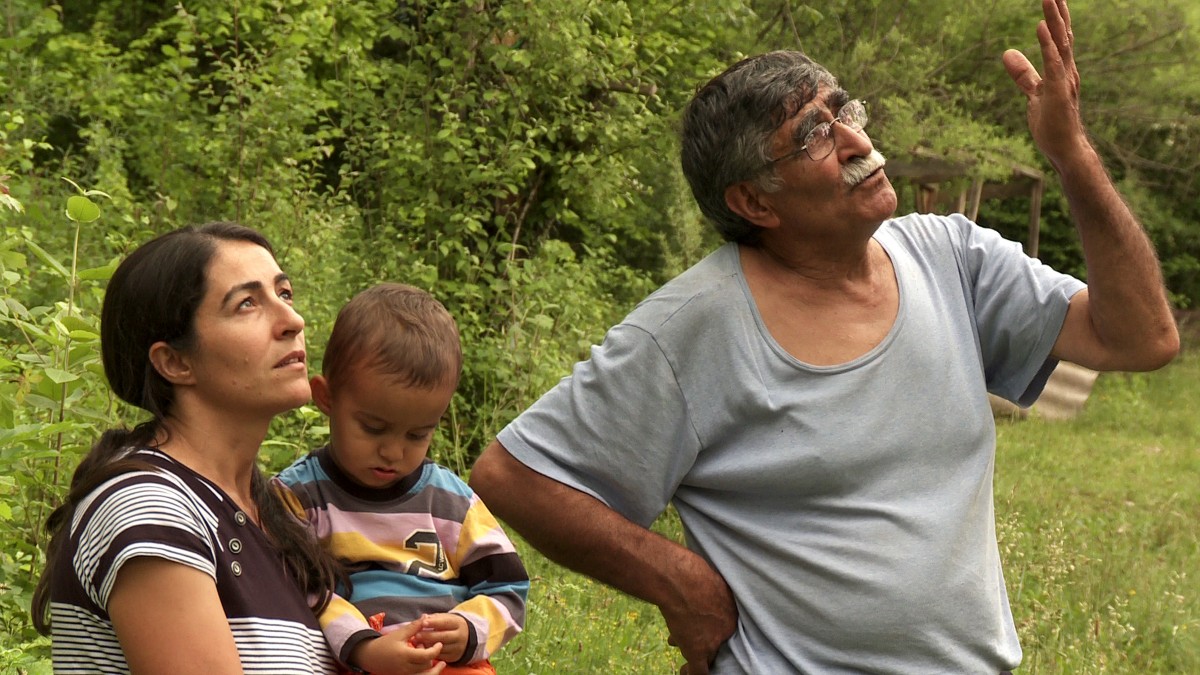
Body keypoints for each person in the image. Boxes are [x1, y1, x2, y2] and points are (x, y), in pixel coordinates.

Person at [468, 0, 1180, 673]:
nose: (857, 142)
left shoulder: (951, 258)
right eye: (812, 134)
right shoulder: (696, 324)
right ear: (752, 200)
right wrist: (680, 579)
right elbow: (513, 475)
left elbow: (1142, 337)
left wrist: (1071, 151)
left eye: (844, 113)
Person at [30, 222, 350, 673]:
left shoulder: (275, 512)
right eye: (247, 304)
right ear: (175, 362)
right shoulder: (148, 506)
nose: (292, 321)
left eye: (285, 293)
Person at [275, 283, 528, 675]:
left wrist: (467, 629)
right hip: (352, 661)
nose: (394, 452)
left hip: (446, 663)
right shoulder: (300, 496)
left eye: (417, 435)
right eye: (374, 428)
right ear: (326, 398)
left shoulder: (452, 503)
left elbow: (507, 588)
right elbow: (301, 592)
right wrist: (365, 648)